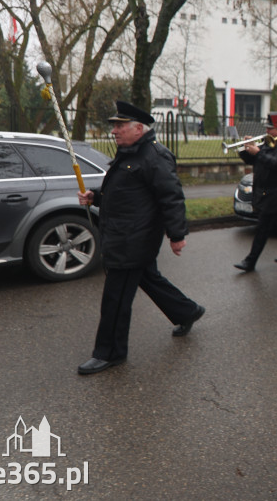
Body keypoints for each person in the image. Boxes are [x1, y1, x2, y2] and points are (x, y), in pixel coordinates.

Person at [76, 101, 204, 375]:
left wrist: (177, 234)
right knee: (150, 279)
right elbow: (129, 194)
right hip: (124, 236)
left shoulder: (154, 156)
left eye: (120, 126)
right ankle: (186, 311)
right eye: (114, 126)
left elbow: (171, 197)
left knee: (116, 299)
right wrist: (95, 197)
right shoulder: (129, 153)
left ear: (139, 128)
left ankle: (110, 352)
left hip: (133, 240)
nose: (114, 131)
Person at [233, 114, 277, 272]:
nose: (267, 130)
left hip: (275, 192)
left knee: (262, 228)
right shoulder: (266, 144)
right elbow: (252, 160)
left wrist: (258, 153)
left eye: (271, 128)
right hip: (263, 191)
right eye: (267, 128)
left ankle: (250, 261)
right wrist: (245, 147)